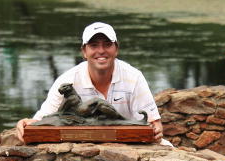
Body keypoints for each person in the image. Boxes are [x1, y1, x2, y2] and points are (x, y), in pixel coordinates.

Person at [16, 22, 167, 144]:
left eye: (107, 44)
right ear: (84, 51)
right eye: (94, 45)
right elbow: (45, 119)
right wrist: (28, 124)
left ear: (116, 49)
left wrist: (156, 131)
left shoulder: (134, 77)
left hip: (130, 143)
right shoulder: (67, 80)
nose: (101, 51)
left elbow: (154, 123)